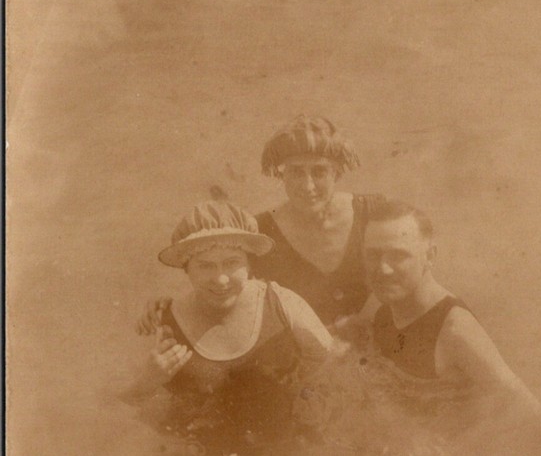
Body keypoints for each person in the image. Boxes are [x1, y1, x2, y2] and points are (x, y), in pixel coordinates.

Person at [123, 199, 339, 451]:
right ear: (186, 268)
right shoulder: (163, 323)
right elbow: (121, 404)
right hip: (202, 451)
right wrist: (148, 380)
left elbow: (331, 364)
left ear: (249, 265)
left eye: (232, 262)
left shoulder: (282, 304)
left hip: (283, 441)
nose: (221, 279)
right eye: (205, 265)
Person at [136, 115, 384, 332]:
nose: (308, 186)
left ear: (337, 173)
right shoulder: (260, 232)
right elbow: (224, 281)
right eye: (296, 172)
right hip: (304, 356)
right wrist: (171, 308)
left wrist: (358, 325)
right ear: (281, 173)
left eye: (319, 172)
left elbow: (418, 269)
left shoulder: (373, 212)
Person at [362, 198, 541, 412]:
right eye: (373, 255)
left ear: (430, 256)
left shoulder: (455, 330)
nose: (383, 269)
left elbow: (530, 412)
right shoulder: (382, 310)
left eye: (398, 256)